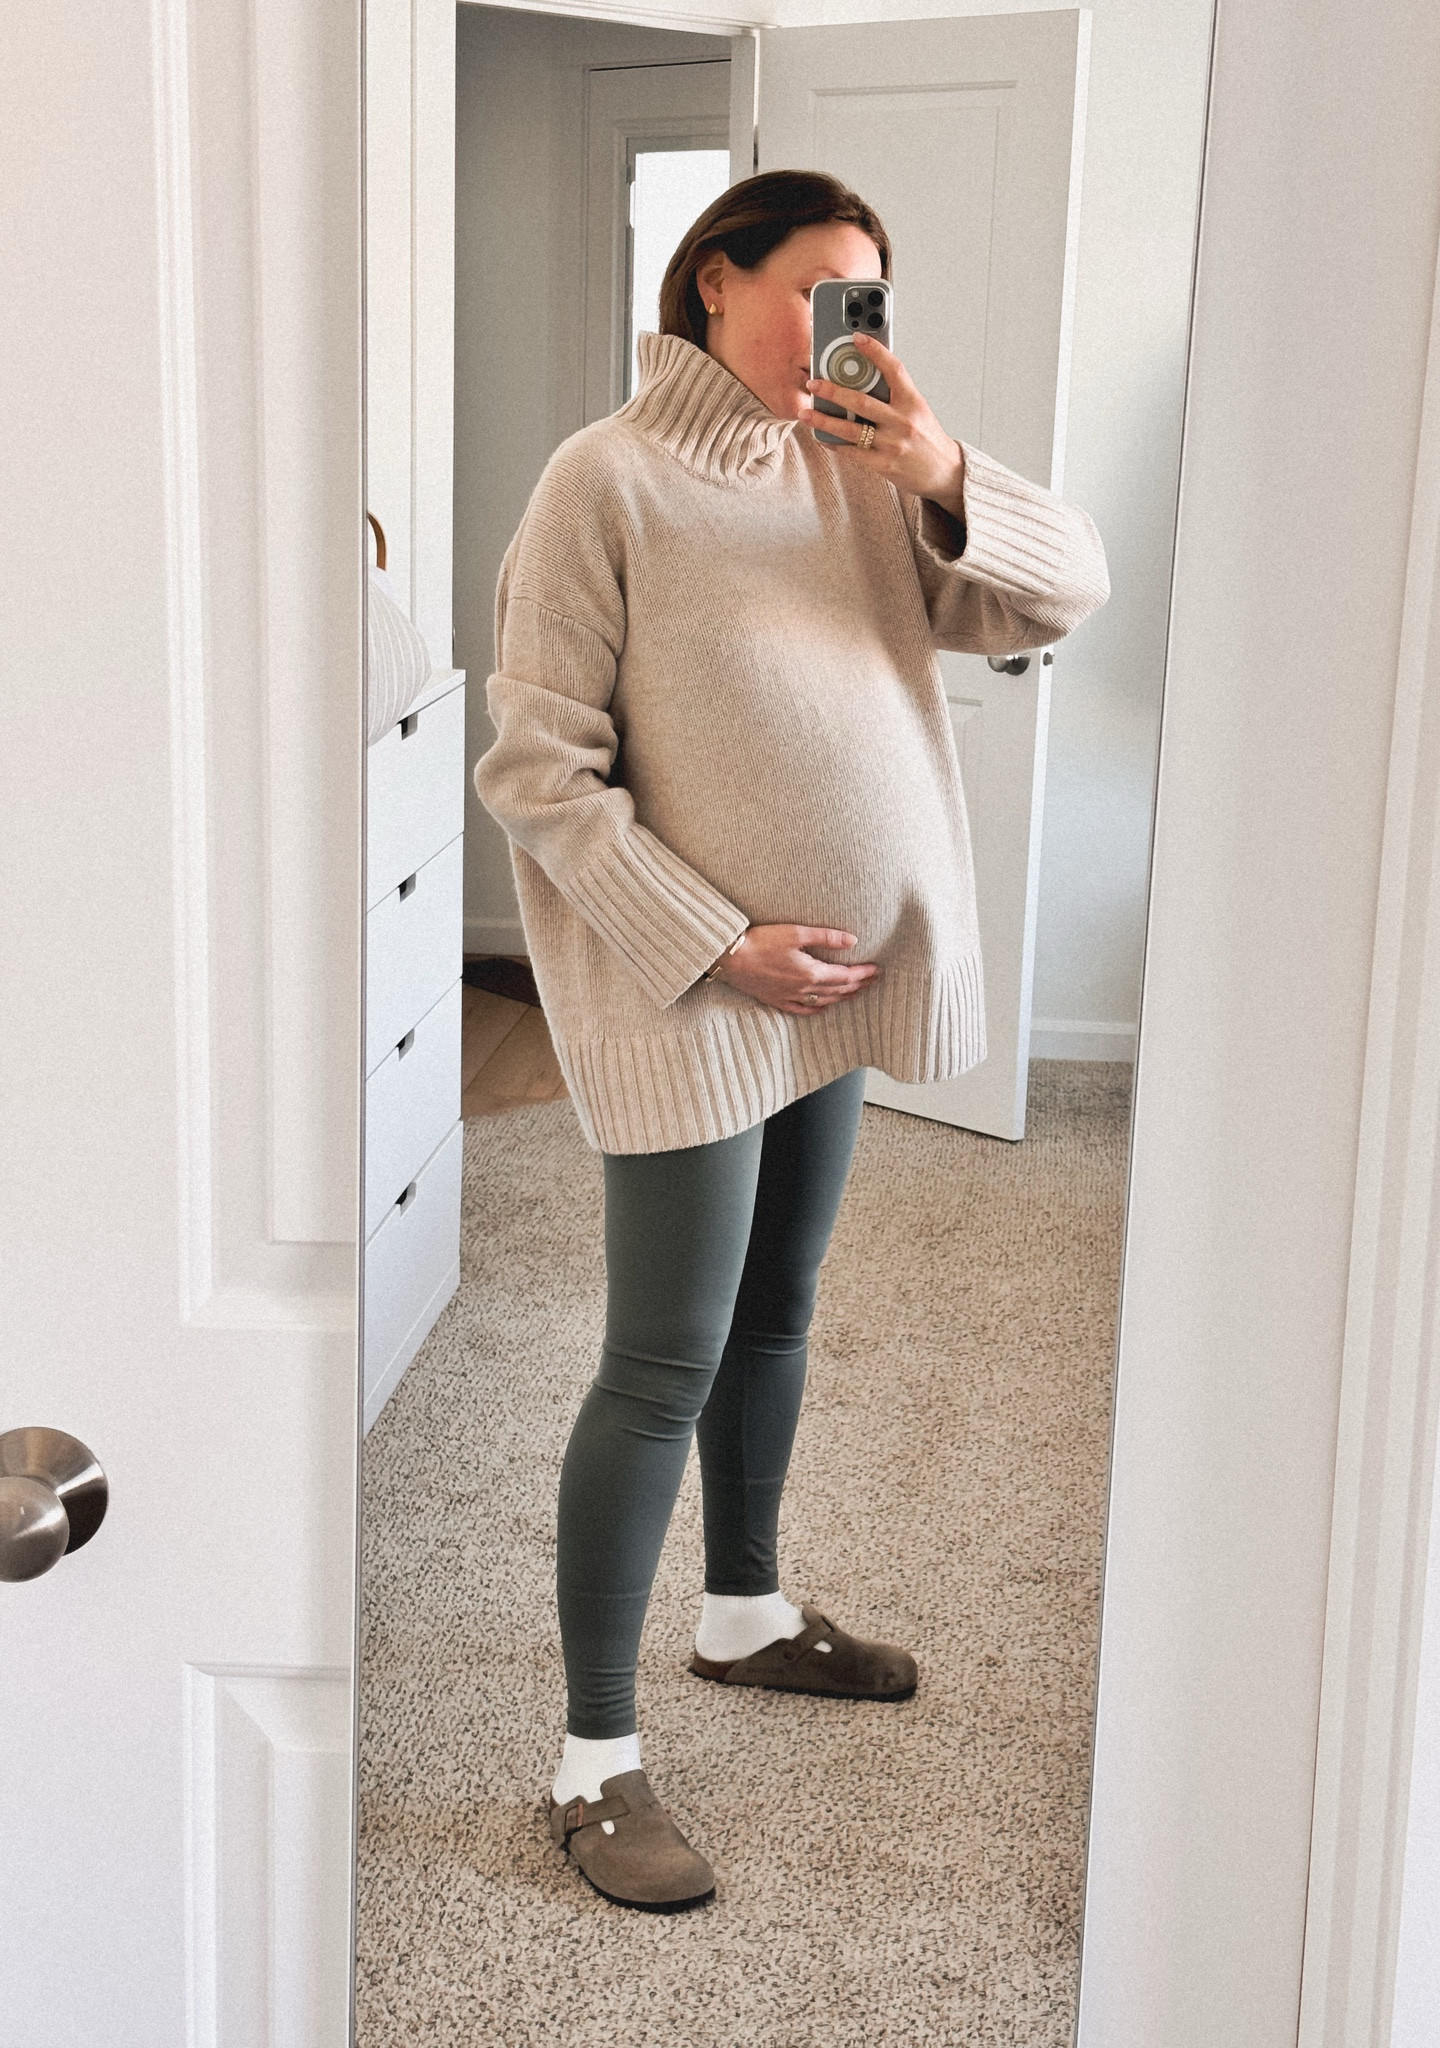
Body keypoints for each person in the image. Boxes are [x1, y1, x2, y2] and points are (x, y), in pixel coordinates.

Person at [473, 169, 1110, 1912]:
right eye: (828, 286)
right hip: (695, 999)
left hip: (832, 998)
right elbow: (535, 771)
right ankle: (592, 1758)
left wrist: (944, 470)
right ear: (713, 282)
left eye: (876, 296)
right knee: (661, 1361)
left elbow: (1064, 596)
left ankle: (744, 1610)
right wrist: (716, 942)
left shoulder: (860, 472)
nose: (857, 326)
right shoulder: (602, 480)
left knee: (780, 1311)